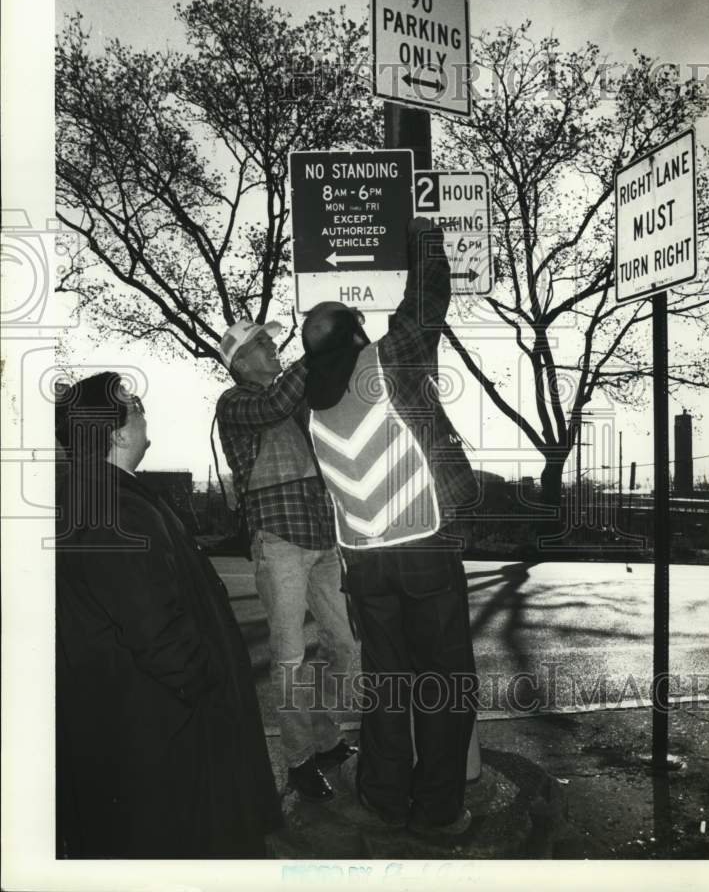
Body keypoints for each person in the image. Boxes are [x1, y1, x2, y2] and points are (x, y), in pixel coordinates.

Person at [55, 372, 282, 859]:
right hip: (159, 725)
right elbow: (151, 624)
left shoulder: (104, 494)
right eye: (134, 405)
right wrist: (204, 679)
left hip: (148, 716)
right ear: (114, 432)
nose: (142, 411)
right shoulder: (109, 506)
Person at [301, 217, 479, 838]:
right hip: (421, 552)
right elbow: (425, 304)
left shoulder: (307, 404)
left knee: (387, 683)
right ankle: (436, 811)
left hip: (365, 566)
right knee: (444, 682)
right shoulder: (383, 360)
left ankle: (383, 795)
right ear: (356, 334)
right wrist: (423, 237)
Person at [216, 319, 356, 802]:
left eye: (275, 343)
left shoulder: (291, 400)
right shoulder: (234, 402)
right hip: (278, 540)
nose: (276, 348)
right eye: (266, 345)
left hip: (320, 537)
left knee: (343, 648)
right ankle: (300, 761)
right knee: (291, 659)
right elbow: (274, 403)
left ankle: (327, 737)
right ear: (241, 362)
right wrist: (316, 351)